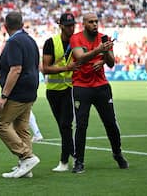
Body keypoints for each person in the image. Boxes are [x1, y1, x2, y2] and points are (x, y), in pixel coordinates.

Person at [70, 12, 129, 173]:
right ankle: (79, 162)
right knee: (81, 125)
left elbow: (111, 63)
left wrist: (104, 57)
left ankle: (117, 153)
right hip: (81, 86)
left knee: (110, 123)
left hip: (101, 86)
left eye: (96, 21)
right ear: (84, 24)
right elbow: (80, 58)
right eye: (91, 22)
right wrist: (98, 51)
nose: (95, 24)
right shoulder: (76, 38)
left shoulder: (104, 38)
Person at [0, 11, 40, 179]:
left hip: (17, 92)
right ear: (22, 24)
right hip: (30, 90)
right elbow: (27, 63)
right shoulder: (30, 40)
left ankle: (27, 157)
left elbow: (16, 68)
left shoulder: (13, 42)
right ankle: (26, 167)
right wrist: (0, 68)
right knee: (22, 128)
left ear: (5, 27)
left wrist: (3, 96)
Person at [41, 13, 78, 172]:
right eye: (68, 25)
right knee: (63, 126)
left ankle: (64, 161)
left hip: (70, 90)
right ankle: (75, 154)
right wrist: (65, 68)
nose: (72, 28)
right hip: (53, 92)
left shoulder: (78, 42)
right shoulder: (51, 42)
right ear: (61, 25)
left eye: (73, 25)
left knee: (65, 125)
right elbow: (46, 68)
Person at [0, 67, 44, 143]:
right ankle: (36, 135)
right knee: (26, 112)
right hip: (24, 86)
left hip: (16, 88)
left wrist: (4, 96)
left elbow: (14, 68)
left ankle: (27, 148)